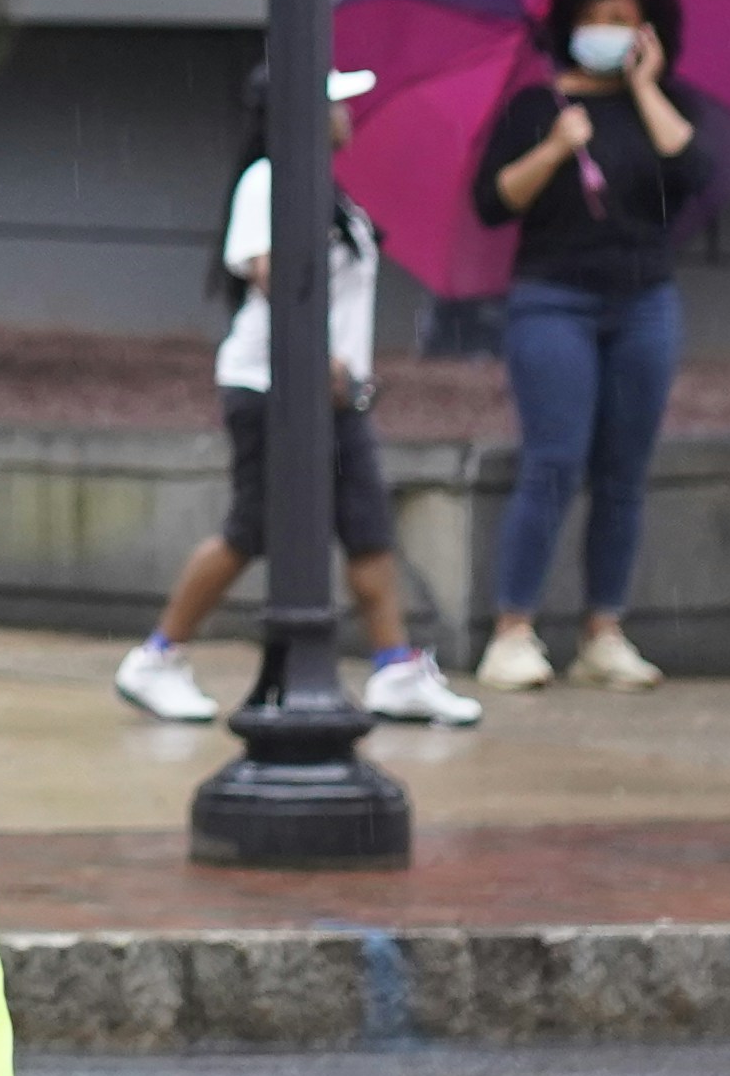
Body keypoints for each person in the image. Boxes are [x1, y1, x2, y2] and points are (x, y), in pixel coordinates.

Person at [117, 65, 486, 732]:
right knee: (252, 528)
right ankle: (156, 657)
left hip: (334, 396)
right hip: (273, 389)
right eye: (333, 103)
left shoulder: (323, 186)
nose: (346, 113)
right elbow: (269, 272)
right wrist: (316, 360)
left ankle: (395, 667)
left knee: (367, 524)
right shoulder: (270, 179)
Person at [473, 0, 704, 693]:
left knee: (624, 471)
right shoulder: (534, 108)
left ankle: (604, 628)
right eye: (598, 17)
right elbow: (493, 200)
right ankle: (513, 628)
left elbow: (692, 173)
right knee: (553, 459)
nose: (610, 31)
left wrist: (642, 87)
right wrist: (554, 146)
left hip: (644, 302)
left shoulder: (660, 103)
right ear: (570, 25)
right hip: (554, 301)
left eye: (625, 19)